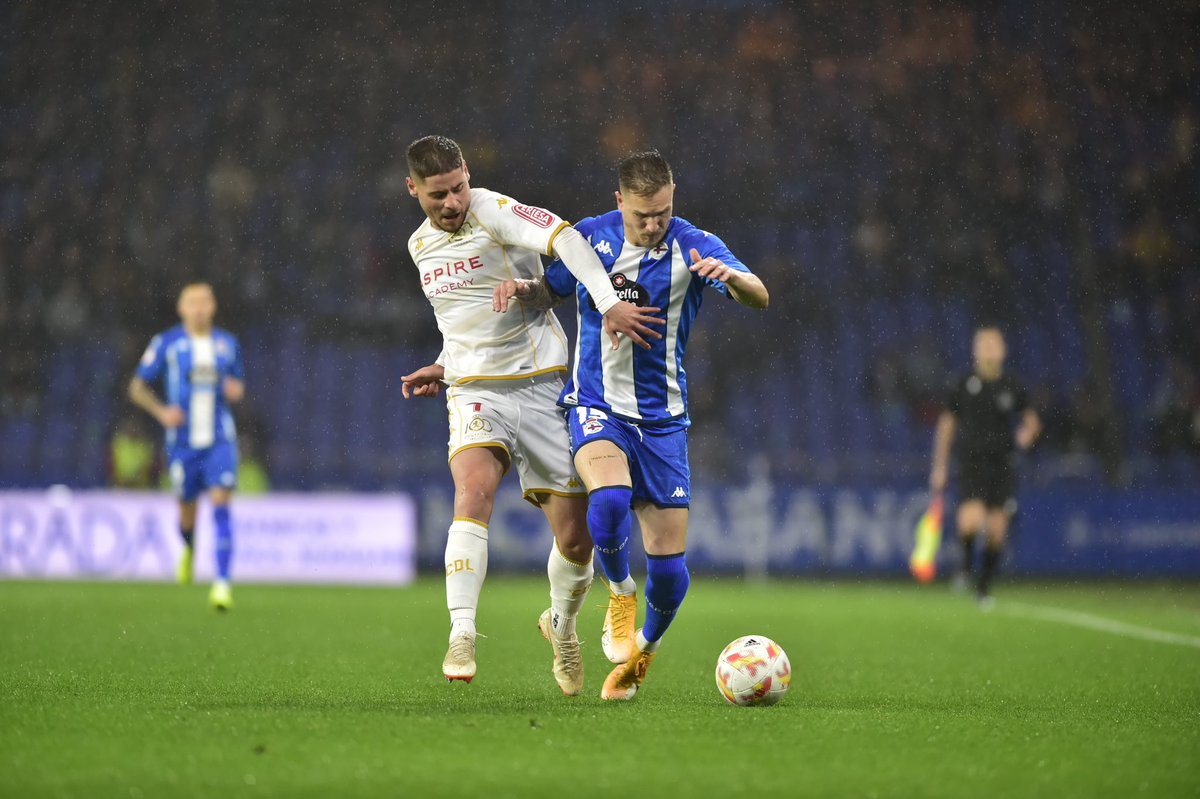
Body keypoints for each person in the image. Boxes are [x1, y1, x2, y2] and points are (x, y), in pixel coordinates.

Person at [493, 150, 769, 700]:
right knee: (611, 500)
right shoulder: (589, 239)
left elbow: (759, 296)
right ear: (619, 201)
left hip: (663, 420)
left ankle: (643, 651)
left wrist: (731, 278)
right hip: (597, 404)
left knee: (668, 572)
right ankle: (620, 593)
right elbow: (552, 288)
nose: (652, 225)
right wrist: (526, 292)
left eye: (662, 212)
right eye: (642, 214)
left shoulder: (692, 243)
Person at [398, 135, 664, 693]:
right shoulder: (419, 247)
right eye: (438, 194)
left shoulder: (494, 211)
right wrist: (445, 365)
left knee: (575, 541)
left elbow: (564, 237)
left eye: (458, 187)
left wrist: (606, 300)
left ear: (469, 174)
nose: (452, 202)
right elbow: (462, 322)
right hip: (474, 391)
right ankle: (462, 632)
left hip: (542, 388)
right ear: (414, 190)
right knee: (472, 493)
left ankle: (561, 626)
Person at [129, 283, 244, 611]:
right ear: (181, 308)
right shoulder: (167, 343)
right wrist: (161, 412)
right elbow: (136, 387)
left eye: (204, 301)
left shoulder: (227, 344)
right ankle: (190, 548)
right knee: (187, 514)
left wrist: (235, 390)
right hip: (182, 444)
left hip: (219, 440)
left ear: (214, 306)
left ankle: (221, 585)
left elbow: (238, 386)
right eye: (192, 302)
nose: (199, 307)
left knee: (221, 503)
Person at [930, 326, 1041, 609]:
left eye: (994, 344)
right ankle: (965, 567)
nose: (989, 349)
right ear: (975, 350)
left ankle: (983, 588)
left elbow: (1032, 422)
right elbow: (946, 426)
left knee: (996, 530)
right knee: (970, 520)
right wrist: (940, 466)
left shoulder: (1012, 387)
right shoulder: (963, 384)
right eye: (984, 344)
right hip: (972, 463)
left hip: (1002, 465)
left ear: (1003, 350)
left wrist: (1027, 435)